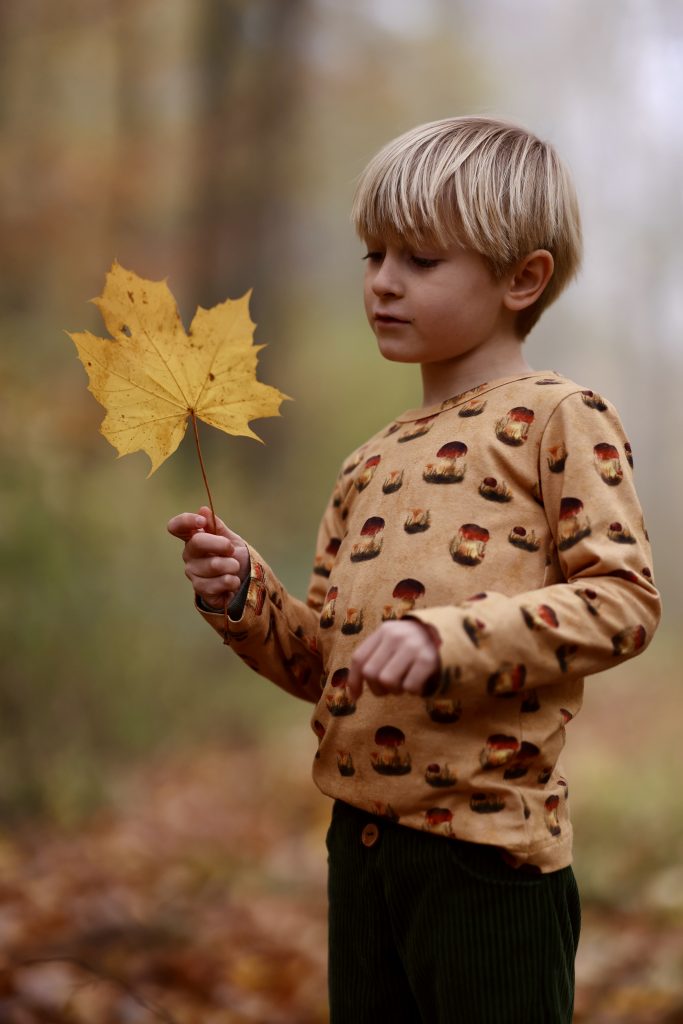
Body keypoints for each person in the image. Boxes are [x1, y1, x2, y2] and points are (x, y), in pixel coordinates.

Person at [167, 116, 661, 1023]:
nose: (383, 282)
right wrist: (243, 595)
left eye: (421, 261)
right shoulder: (367, 461)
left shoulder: (558, 417)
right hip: (359, 855)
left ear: (523, 277)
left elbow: (623, 602)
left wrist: (454, 637)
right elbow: (328, 667)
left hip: (486, 858)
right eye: (372, 254)